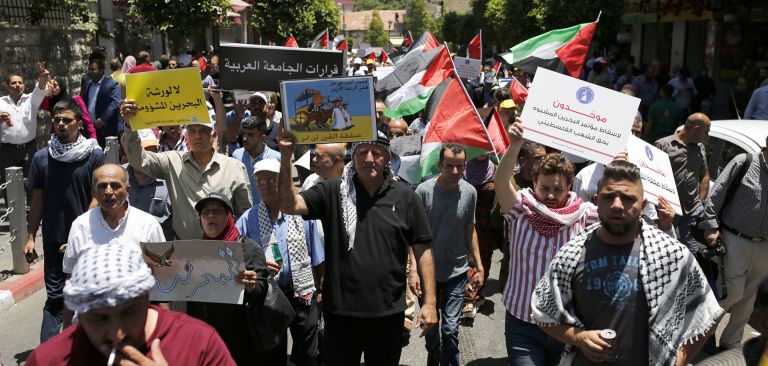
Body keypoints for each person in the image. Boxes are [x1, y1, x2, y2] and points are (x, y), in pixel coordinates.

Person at [530, 160, 723, 366]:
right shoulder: (571, 254)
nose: (617, 205)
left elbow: (708, 315)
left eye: (628, 198)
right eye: (608, 197)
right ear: (596, 200)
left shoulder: (671, 255)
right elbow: (542, 313)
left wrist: (679, 362)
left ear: (643, 205)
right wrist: (579, 338)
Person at [277, 127, 438, 366]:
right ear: (353, 156)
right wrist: (285, 156)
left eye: (376, 152)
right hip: (341, 316)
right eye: (363, 152)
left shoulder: (406, 197)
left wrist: (430, 303)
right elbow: (289, 205)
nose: (369, 158)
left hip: (387, 315)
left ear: (388, 157)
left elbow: (423, 248)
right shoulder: (333, 191)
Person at [494, 118, 599, 366]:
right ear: (534, 184)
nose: (551, 195)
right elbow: (500, 182)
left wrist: (618, 166)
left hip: (566, 324)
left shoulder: (585, 215)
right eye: (544, 188)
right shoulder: (520, 209)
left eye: (558, 189)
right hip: (523, 321)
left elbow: (619, 219)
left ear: (569, 186)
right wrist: (515, 144)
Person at [26, 243, 237, 365]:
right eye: (99, 318)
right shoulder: (48, 359)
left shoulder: (199, 343)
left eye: (128, 313)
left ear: (146, 297)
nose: (117, 334)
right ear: (79, 313)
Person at [24, 99, 105, 342]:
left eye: (66, 120)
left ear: (79, 124)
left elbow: (97, 198)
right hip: (53, 238)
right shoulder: (41, 158)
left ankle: (85, 347)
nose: (61, 124)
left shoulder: (94, 156)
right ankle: (49, 352)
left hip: (88, 240)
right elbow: (37, 201)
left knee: (88, 296)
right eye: (57, 119)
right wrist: (30, 237)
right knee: (55, 298)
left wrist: (79, 234)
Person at [119, 98, 252, 240]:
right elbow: (139, 160)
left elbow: (244, 215)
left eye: (203, 131)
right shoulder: (173, 161)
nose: (197, 136)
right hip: (184, 248)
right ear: (187, 135)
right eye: (192, 130)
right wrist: (130, 125)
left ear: (213, 135)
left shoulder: (234, 167)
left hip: (224, 247)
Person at [236, 159, 324, 365]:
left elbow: (318, 256)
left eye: (272, 180)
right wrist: (259, 266)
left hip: (303, 292)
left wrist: (320, 289)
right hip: (269, 294)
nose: (266, 185)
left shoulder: (302, 214)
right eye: (261, 181)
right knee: (273, 353)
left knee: (308, 353)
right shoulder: (248, 219)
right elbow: (238, 257)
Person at [415, 144, 483, 366]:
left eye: (460, 166)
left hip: (457, 270)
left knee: (451, 328)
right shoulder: (423, 192)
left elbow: (470, 229)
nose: (455, 171)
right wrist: (413, 270)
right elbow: (413, 235)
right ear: (439, 165)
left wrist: (479, 265)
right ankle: (434, 352)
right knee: (431, 326)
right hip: (428, 274)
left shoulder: (470, 192)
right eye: (450, 166)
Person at [698, 136, 768, 351]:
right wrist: (710, 227)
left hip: (764, 245)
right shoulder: (745, 162)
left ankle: (731, 342)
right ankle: (704, 334)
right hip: (734, 239)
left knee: (748, 300)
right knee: (731, 293)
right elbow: (716, 194)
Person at [188, 192, 272, 365]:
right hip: (205, 338)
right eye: (205, 212)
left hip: (240, 339)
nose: (210, 216)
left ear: (229, 217)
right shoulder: (193, 253)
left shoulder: (247, 248)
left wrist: (252, 286)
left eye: (217, 211)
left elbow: (262, 288)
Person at [64, 163, 165, 275]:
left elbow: (162, 271)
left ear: (128, 190)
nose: (108, 192)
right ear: (94, 192)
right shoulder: (81, 225)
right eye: (102, 186)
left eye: (115, 186)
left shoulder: (148, 225)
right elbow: (71, 273)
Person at [655, 113, 711, 254]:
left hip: (692, 209)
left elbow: (704, 175)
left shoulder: (700, 148)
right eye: (706, 132)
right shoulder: (663, 145)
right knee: (663, 247)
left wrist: (701, 202)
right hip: (668, 209)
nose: (707, 135)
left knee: (691, 250)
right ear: (696, 129)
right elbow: (651, 176)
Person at [0, 63, 49, 200]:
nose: (17, 85)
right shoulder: (1, 103)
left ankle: (32, 212)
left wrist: (43, 77)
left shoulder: (32, 100)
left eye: (20, 83)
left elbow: (40, 88)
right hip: (7, 151)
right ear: (8, 87)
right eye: (13, 83)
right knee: (10, 186)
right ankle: (13, 213)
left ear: (24, 85)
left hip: (29, 149)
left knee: (32, 185)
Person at [125, 130, 174, 240]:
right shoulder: (118, 176)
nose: (149, 156)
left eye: (154, 150)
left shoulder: (169, 179)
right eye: (145, 151)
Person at [231, 115, 281, 205]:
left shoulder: (277, 158)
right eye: (243, 134)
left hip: (269, 211)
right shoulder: (236, 156)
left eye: (250, 135)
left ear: (263, 138)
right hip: (243, 212)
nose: (244, 138)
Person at [80, 59, 121, 147]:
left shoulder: (112, 84)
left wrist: (103, 119)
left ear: (101, 70)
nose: (90, 72)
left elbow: (115, 102)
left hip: (107, 129)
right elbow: (83, 102)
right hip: (90, 129)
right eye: (89, 69)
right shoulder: (87, 84)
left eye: (93, 69)